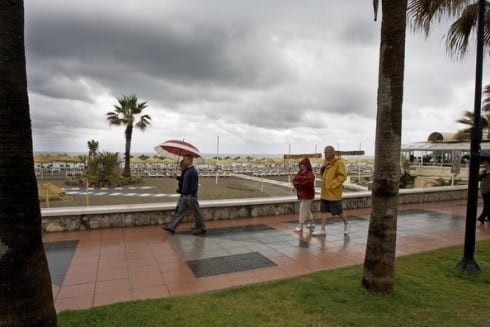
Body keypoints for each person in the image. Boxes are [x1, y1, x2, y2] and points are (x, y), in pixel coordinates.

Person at [162, 155, 207, 235]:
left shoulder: (192, 171)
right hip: (184, 195)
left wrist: (192, 195)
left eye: (185, 159)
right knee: (180, 212)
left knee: (196, 212)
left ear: (190, 160)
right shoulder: (187, 171)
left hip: (190, 196)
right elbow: (184, 180)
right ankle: (172, 227)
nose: (183, 160)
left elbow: (194, 185)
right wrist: (176, 177)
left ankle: (202, 228)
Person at [312, 145, 350, 236]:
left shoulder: (338, 163)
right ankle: (322, 229)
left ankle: (347, 223)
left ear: (333, 153)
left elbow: (342, 176)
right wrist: (323, 167)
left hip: (334, 192)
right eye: (325, 152)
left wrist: (332, 185)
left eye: (327, 152)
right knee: (323, 211)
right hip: (325, 192)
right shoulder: (326, 162)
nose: (325, 154)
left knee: (338, 211)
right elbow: (323, 174)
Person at [292, 157, 316, 233]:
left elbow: (308, 183)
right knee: (307, 209)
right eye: (301, 165)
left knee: (302, 209)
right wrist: (300, 184)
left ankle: (300, 226)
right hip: (301, 194)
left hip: (308, 195)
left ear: (306, 165)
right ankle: (312, 223)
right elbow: (294, 181)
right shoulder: (300, 172)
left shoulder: (310, 174)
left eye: (303, 164)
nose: (302, 166)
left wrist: (299, 184)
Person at [478, 157, 490, 224]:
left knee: (487, 206)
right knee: (486, 204)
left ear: (488, 163)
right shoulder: (484, 172)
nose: (483, 164)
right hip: (484, 191)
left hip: (489, 191)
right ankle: (489, 217)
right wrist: (481, 175)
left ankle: (481, 218)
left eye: (485, 163)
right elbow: (478, 179)